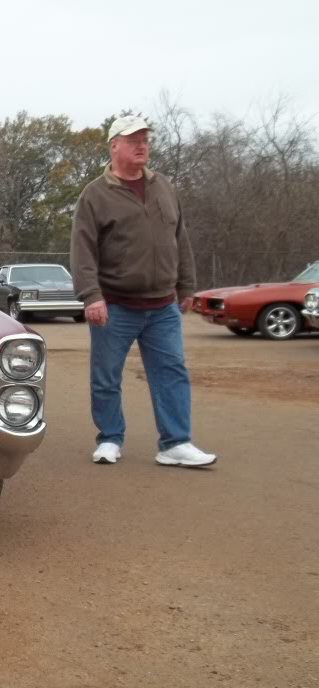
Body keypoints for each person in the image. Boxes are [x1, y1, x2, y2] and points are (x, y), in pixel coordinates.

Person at [69, 115, 216, 468]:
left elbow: (179, 238)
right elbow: (83, 249)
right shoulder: (95, 194)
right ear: (113, 146)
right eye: (132, 138)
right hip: (115, 305)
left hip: (163, 306)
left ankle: (175, 443)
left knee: (171, 372)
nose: (141, 144)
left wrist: (187, 285)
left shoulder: (163, 185)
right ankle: (109, 439)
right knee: (106, 377)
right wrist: (91, 295)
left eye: (145, 138)